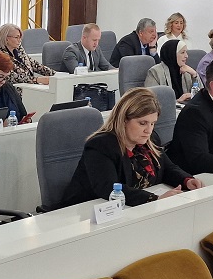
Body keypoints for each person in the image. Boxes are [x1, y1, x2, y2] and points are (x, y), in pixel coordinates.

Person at [59, 88, 204, 208]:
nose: (148, 130)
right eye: (142, 123)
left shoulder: (150, 139)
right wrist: (154, 199)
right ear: (123, 120)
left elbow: (167, 168)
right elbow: (109, 188)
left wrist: (186, 180)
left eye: (152, 123)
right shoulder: (101, 145)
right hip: (89, 213)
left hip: (134, 210)